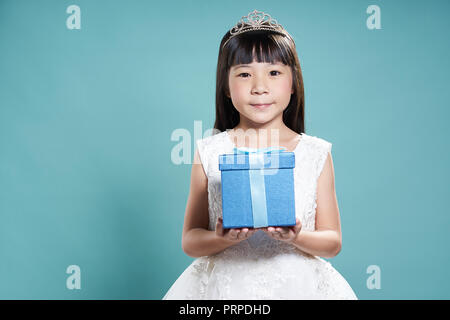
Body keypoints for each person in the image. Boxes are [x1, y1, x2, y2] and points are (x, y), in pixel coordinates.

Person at [163, 9, 358, 299]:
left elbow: (333, 242)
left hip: (298, 287)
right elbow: (190, 240)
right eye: (244, 74)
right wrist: (221, 238)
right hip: (226, 290)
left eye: (274, 73)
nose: (259, 87)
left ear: (293, 84)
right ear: (226, 87)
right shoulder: (209, 150)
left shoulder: (315, 153)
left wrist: (296, 237)